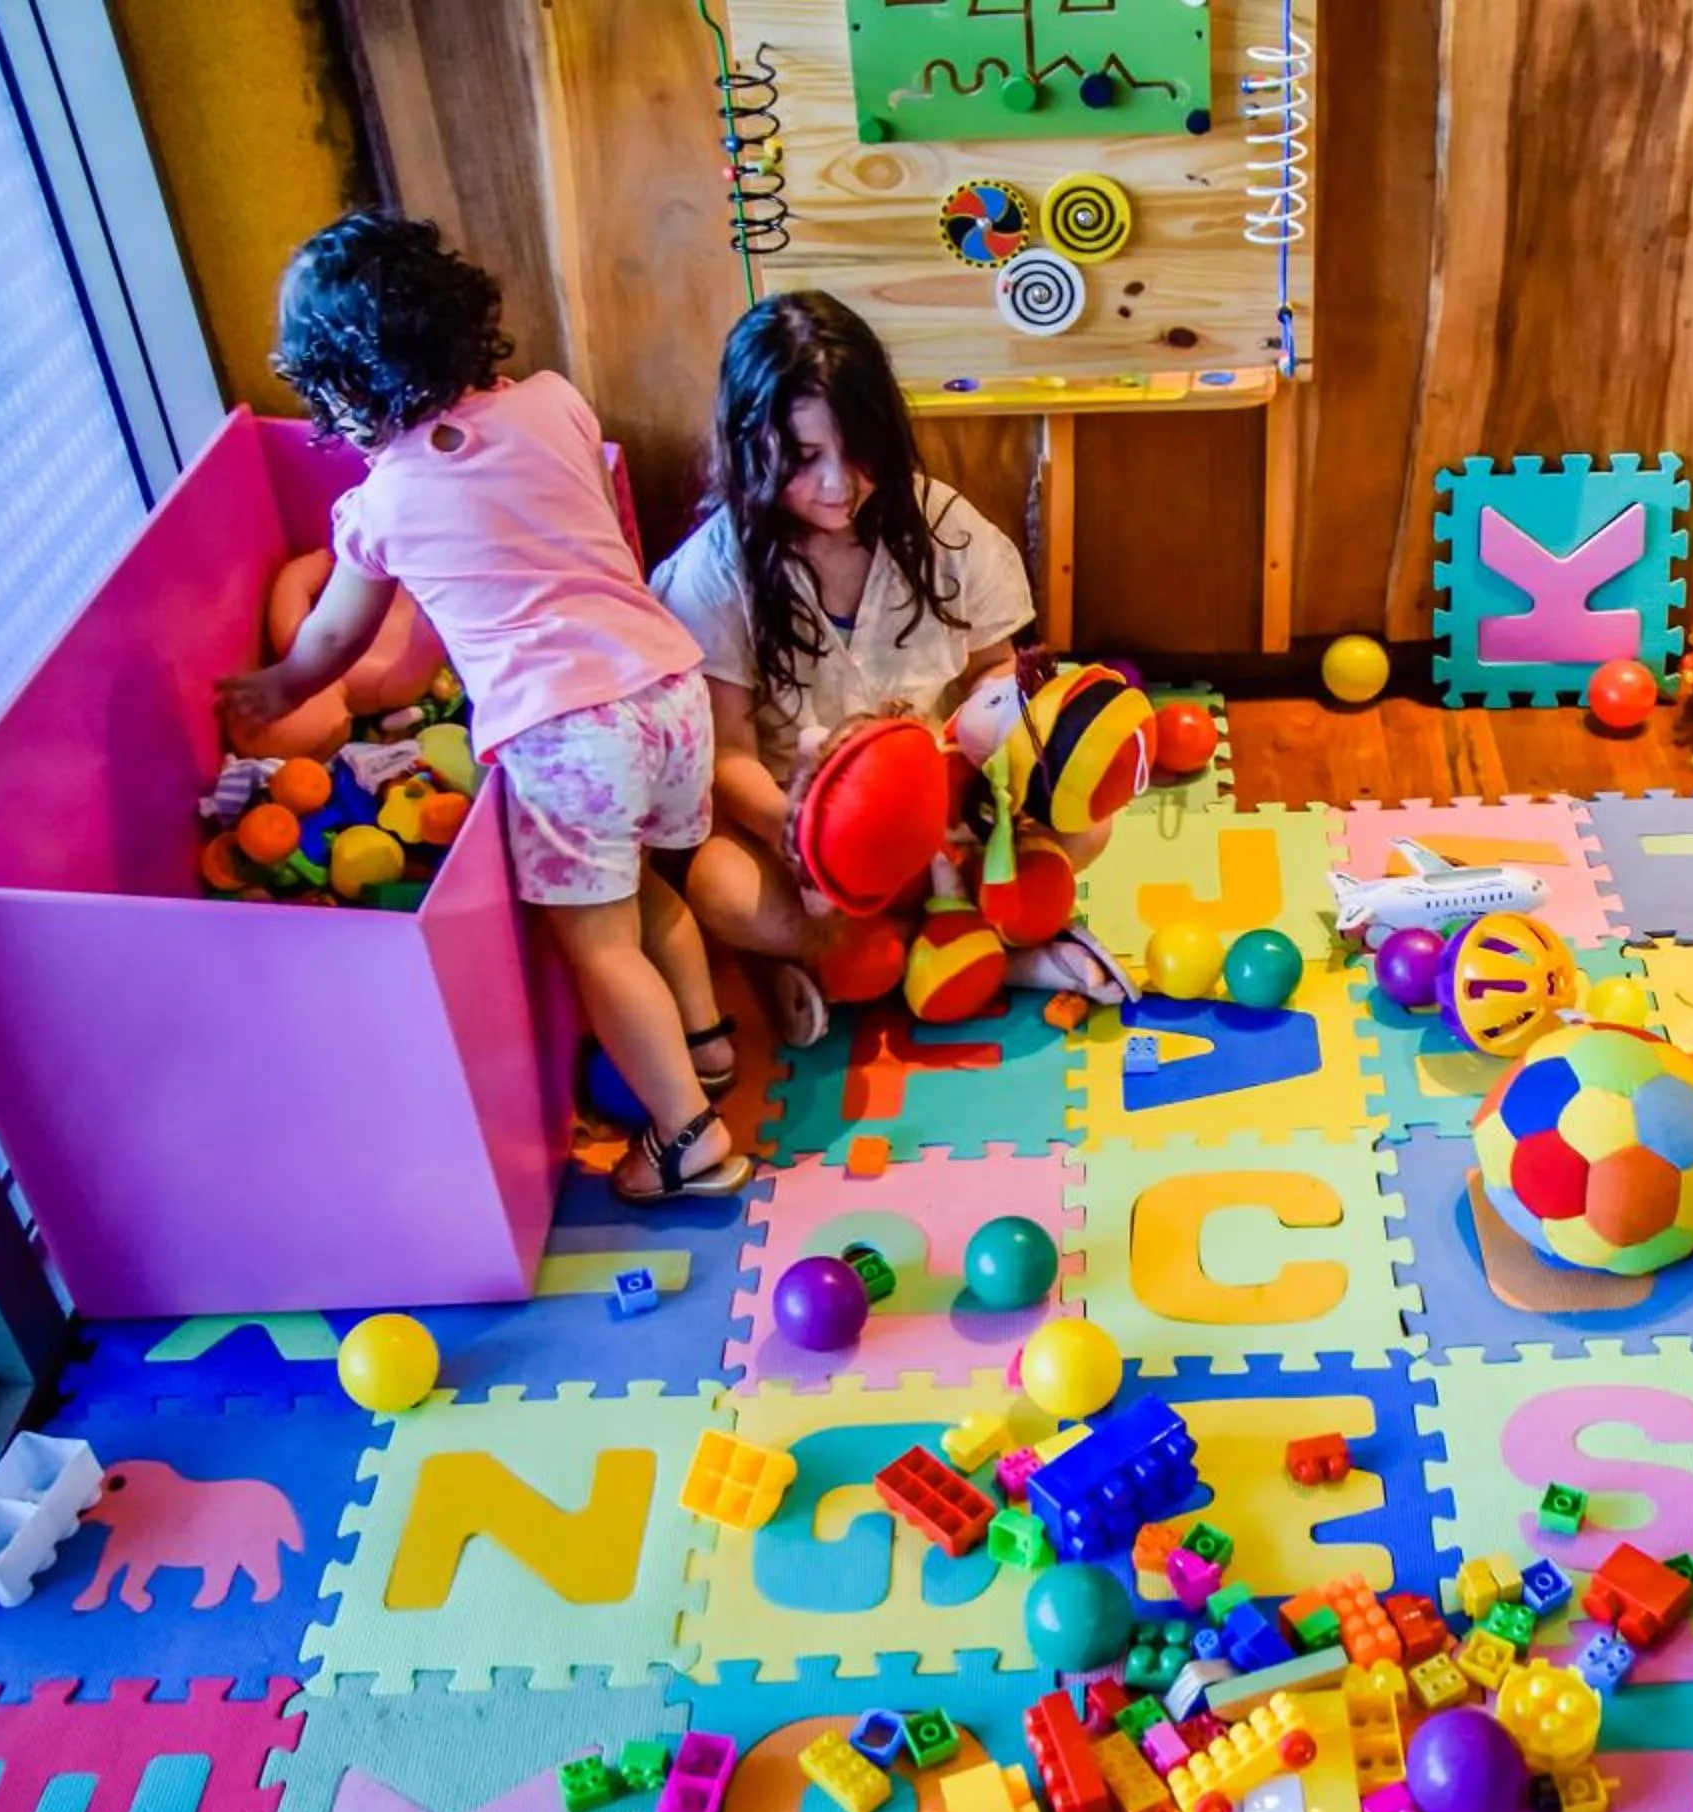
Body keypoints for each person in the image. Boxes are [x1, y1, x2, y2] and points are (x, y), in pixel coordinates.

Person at [219, 212, 747, 1202]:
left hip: (569, 731)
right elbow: (561, 520)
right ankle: (709, 1041)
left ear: (340, 390)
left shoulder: (382, 506)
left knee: (595, 943)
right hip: (668, 691)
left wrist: (279, 688)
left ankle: (686, 1133)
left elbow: (335, 640)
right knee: (641, 889)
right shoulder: (555, 403)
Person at [650, 289, 1124, 1046]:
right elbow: (725, 752)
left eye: (857, 450)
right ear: (751, 445)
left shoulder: (941, 528)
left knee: (1087, 827)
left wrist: (1021, 755)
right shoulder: (717, 571)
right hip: (809, 851)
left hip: (937, 817)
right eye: (804, 459)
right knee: (717, 884)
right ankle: (947, 952)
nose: (838, 485)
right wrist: (810, 838)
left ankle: (898, 958)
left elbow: (991, 674)